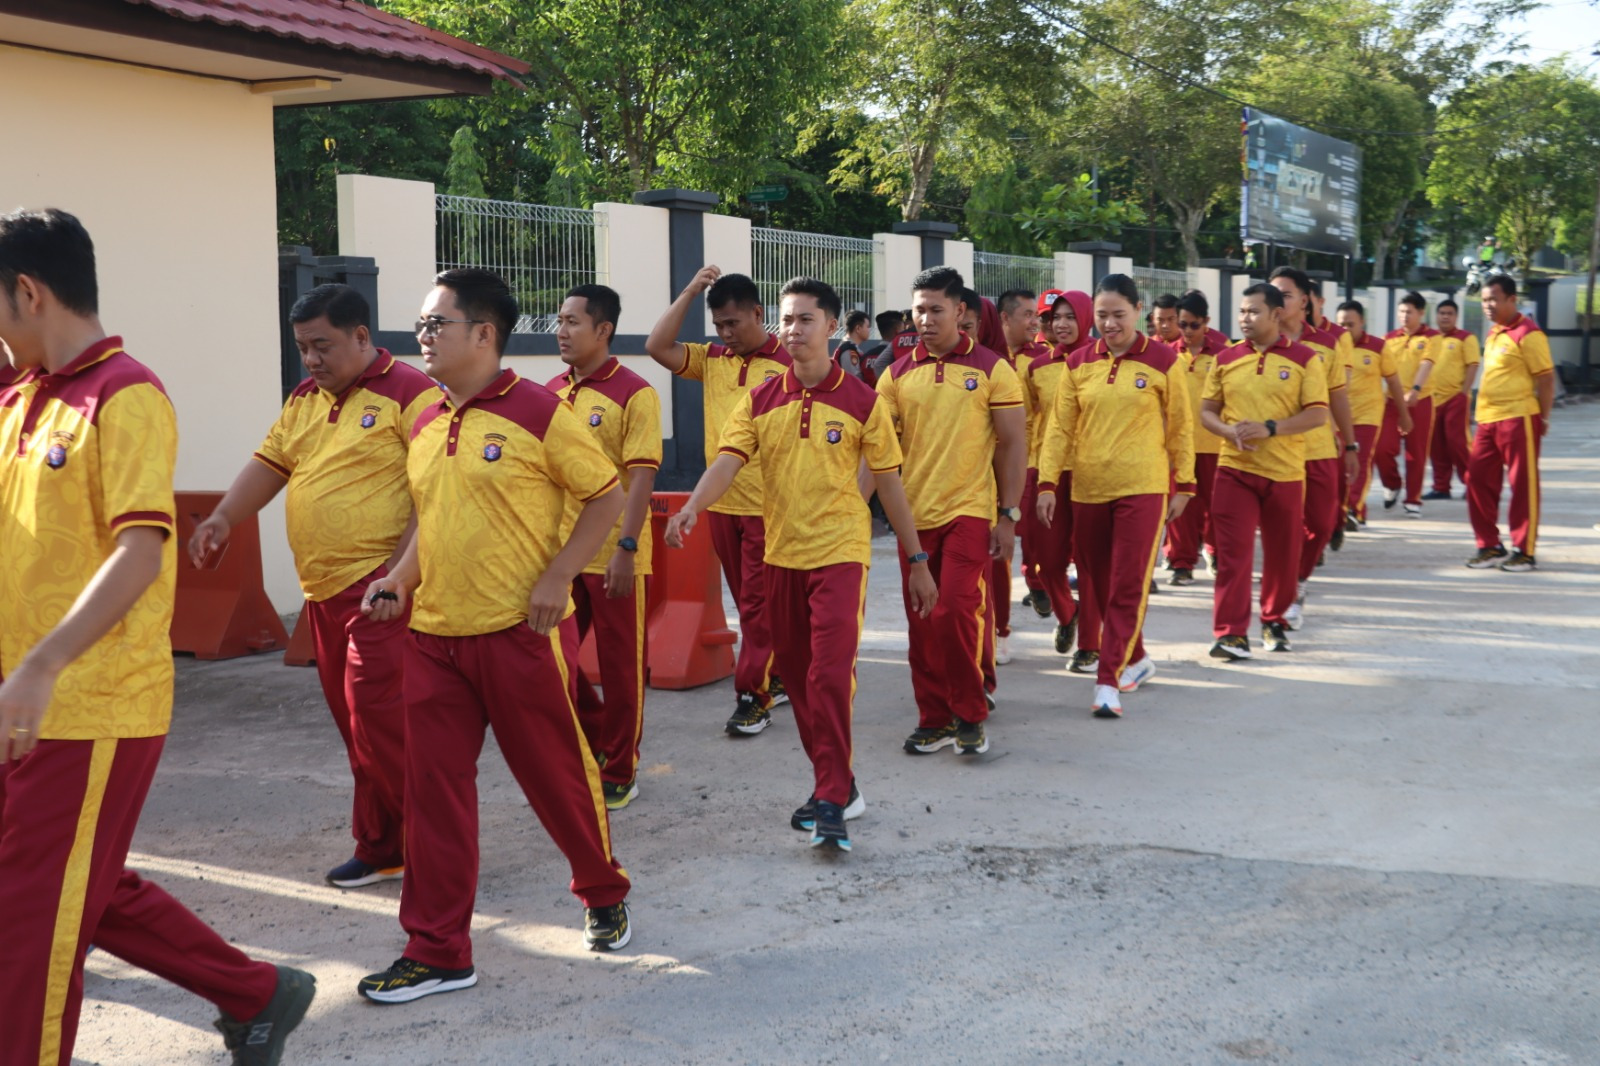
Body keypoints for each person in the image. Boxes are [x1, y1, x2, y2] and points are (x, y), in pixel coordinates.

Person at [0, 208, 315, 1064]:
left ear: (28, 292)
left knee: (29, 925)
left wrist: (40, 664)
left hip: (87, 704)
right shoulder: (21, 396)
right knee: (75, 889)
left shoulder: (123, 395)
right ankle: (259, 993)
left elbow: (142, 551)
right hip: (23, 701)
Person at [357, 268, 632, 1005]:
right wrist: (400, 580)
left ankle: (602, 890)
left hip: (520, 632)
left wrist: (558, 578)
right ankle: (438, 950)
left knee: (557, 778)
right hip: (434, 636)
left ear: (483, 334)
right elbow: (432, 518)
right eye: (418, 325)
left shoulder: (540, 413)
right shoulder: (422, 418)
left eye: (433, 325)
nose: (420, 337)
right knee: (435, 794)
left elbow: (606, 498)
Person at [666, 277, 936, 851]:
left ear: (832, 326)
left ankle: (832, 799)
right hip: (781, 555)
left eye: (805, 319)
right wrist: (692, 506)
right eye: (786, 320)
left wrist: (916, 559)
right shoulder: (760, 400)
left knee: (828, 676)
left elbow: (889, 486)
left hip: (840, 555)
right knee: (802, 683)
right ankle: (839, 783)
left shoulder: (865, 401)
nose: (792, 330)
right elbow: (727, 462)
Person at [191, 283, 432, 890]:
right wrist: (224, 516)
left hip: (380, 591)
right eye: (303, 348)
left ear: (360, 336)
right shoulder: (304, 398)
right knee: (357, 728)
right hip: (322, 595)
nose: (313, 360)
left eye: (322, 345)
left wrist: (398, 578)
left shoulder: (412, 393)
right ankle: (382, 846)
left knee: (386, 727)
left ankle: (435, 848)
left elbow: (437, 496)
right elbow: (272, 463)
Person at [877, 267, 1025, 757]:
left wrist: (1007, 515)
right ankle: (934, 718)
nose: (923, 319)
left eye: (935, 309)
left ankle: (970, 713)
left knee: (956, 610)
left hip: (969, 511)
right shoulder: (895, 376)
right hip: (912, 519)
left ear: (960, 312)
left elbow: (1011, 445)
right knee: (923, 619)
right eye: (918, 310)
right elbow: (877, 453)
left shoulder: (992, 369)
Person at [1035, 275, 1194, 718]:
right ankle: (1138, 659)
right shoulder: (1079, 363)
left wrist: (1186, 484)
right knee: (1100, 585)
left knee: (1128, 582)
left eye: (1118, 315)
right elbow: (1060, 428)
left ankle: (1107, 682)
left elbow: (1182, 426)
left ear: (1138, 311)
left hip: (1143, 487)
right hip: (1088, 488)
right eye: (1102, 315)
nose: (1109, 324)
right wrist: (1048, 483)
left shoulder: (1164, 361)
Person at [645, 267, 790, 735]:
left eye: (734, 324)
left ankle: (752, 696)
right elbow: (657, 347)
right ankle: (780, 674)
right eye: (719, 326)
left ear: (758, 314)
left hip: (771, 507)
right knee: (753, 605)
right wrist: (690, 290)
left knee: (755, 604)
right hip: (722, 505)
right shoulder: (711, 359)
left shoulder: (790, 362)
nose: (727, 334)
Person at [546, 284, 660, 810]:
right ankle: (593, 746)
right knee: (554, 664)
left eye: (572, 322)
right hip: (561, 557)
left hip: (615, 553)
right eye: (560, 321)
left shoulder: (635, 392)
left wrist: (629, 548)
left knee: (620, 669)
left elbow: (640, 479)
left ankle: (621, 768)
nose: (561, 331)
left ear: (603, 330)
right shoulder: (549, 392)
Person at [1199, 283, 1329, 659]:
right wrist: (1227, 431)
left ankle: (1274, 621)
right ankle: (1230, 634)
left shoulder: (1306, 359)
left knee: (1282, 555)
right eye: (1242, 311)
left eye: (1253, 311)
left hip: (1285, 472)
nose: (1245, 318)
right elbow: (1207, 410)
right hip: (1234, 469)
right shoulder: (1225, 359)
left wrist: (1270, 428)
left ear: (1276, 315)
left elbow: (1318, 413)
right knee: (1232, 555)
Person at [1268, 267, 1356, 630]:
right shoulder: (1258, 342)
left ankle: (1297, 579)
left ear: (1304, 301)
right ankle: (1283, 596)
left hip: (1318, 449)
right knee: (1283, 530)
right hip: (1275, 453)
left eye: (1285, 294)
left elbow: (1338, 398)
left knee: (1320, 525)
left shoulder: (1326, 344)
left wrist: (1350, 444)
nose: (1277, 301)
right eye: (1272, 294)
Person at [1026, 290, 1101, 672]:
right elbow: (1027, 421)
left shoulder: (1102, 362)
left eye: (1071, 316)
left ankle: (1090, 644)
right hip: (1048, 473)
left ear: (1086, 318)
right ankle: (1067, 613)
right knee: (1048, 560)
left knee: (1088, 562)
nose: (1062, 324)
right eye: (1056, 317)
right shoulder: (1037, 368)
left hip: (1090, 471)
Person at [1465, 274, 1553, 572]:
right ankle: (1489, 545)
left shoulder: (1529, 334)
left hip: (1519, 418)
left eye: (1493, 300)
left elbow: (1546, 379)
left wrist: (1543, 417)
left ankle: (1524, 551)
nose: (1488, 305)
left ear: (1512, 300)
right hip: (1488, 420)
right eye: (1485, 300)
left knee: (1522, 485)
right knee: (1476, 480)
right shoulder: (1494, 333)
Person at [1165, 289, 1227, 585]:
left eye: (1194, 325)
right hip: (1180, 445)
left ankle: (1215, 551)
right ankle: (1182, 562)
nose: (1187, 331)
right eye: (1183, 324)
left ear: (1207, 322)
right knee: (1182, 505)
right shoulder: (1166, 355)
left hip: (1216, 443)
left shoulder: (1224, 352)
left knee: (1217, 505)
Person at [999, 288, 1049, 629]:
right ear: (1005, 318)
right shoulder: (988, 358)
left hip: (1033, 459)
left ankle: (1038, 582)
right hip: (991, 460)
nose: (1036, 322)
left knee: (1034, 533)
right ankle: (999, 625)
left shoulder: (1043, 359)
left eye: (1037, 315)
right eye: (1028, 315)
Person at [1335, 300, 1411, 526]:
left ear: (1362, 322)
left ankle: (1351, 509)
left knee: (1360, 462)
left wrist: (1403, 414)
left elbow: (1394, 382)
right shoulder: (1334, 346)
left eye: (1351, 324)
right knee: (1339, 466)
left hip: (1368, 415)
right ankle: (1354, 510)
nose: (1346, 329)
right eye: (1341, 325)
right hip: (1339, 416)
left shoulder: (1378, 346)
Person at [1374, 292, 1439, 517]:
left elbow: (1426, 364)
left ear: (1421, 313)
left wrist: (1416, 390)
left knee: (1416, 453)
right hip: (1390, 401)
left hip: (1420, 401)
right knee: (1381, 448)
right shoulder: (1388, 338)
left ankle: (1413, 500)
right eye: (1401, 311)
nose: (1404, 316)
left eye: (1409, 312)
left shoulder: (1432, 337)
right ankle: (1392, 483)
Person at [1423, 297, 1480, 500]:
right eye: (1442, 313)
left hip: (1455, 398)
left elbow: (1473, 365)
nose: (1445, 317)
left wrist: (1463, 393)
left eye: (1449, 313)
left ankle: (1472, 483)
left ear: (1456, 317)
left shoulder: (1466, 338)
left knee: (1458, 442)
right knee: (1435, 445)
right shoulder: (1430, 339)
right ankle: (1441, 487)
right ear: (1436, 316)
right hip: (1431, 399)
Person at [835, 309, 872, 379]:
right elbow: (854, 381)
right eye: (867, 326)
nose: (869, 330)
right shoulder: (848, 350)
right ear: (858, 328)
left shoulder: (850, 347)